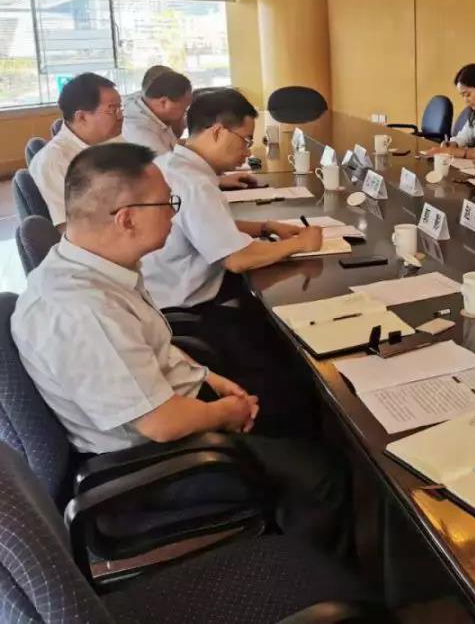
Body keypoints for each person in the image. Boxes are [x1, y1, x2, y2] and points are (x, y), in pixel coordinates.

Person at [12, 143, 348, 552]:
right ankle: (302, 569)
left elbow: (151, 347)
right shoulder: (83, 311)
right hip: (147, 467)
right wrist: (226, 412)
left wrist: (210, 378)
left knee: (293, 399)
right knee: (322, 476)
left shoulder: (94, 266)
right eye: (167, 203)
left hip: (163, 414)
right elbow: (162, 424)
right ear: (127, 218)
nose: (174, 214)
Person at [142, 88, 323, 311]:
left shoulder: (171, 165)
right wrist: (300, 244)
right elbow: (238, 259)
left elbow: (206, 227)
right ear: (218, 132)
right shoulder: (195, 185)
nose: (248, 152)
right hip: (187, 308)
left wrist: (266, 227)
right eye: (246, 140)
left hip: (161, 291)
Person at [122, 66, 255, 189]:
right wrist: (215, 181)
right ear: (164, 102)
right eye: (184, 108)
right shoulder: (137, 127)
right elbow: (167, 168)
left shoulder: (158, 117)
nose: (186, 115)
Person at [30, 72, 123, 228]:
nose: (120, 116)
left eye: (120, 108)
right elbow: (69, 229)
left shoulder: (114, 140)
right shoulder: (55, 161)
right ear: (82, 117)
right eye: (112, 110)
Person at [122, 67, 192, 155]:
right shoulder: (141, 131)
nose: (185, 113)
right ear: (163, 102)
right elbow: (166, 162)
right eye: (184, 108)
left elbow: (173, 146)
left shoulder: (154, 110)